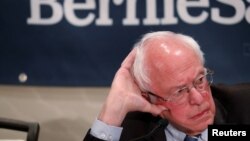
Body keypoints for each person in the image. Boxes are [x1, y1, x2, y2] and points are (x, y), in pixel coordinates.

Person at [83, 31, 249, 141]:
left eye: (199, 80)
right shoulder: (131, 131)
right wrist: (113, 111)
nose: (198, 99)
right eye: (179, 91)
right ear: (150, 98)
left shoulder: (244, 106)